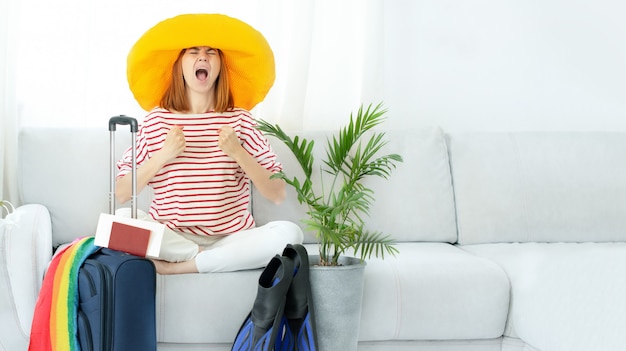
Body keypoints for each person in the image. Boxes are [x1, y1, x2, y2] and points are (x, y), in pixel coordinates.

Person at [115, 13, 303, 275]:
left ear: (220, 66)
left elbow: (277, 193)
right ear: (179, 64)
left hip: (231, 238)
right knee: (119, 224)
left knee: (290, 233)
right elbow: (122, 193)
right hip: (172, 238)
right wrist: (163, 155)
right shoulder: (156, 121)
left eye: (211, 52)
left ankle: (179, 268)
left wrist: (238, 152)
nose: (202, 57)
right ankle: (206, 258)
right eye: (193, 52)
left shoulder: (241, 120)